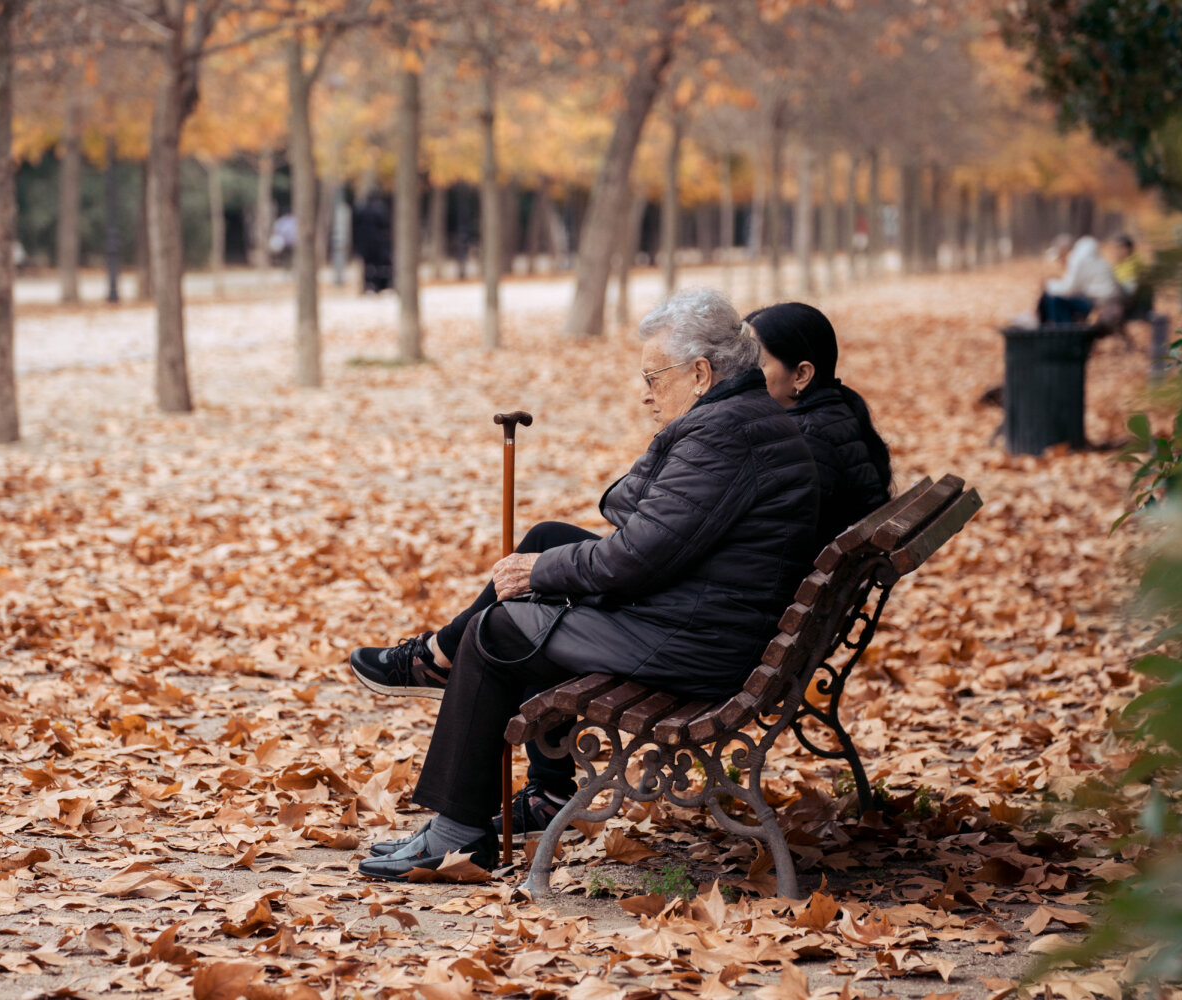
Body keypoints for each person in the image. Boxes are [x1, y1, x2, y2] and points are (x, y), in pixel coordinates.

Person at [349, 288, 820, 878]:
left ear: (700, 373)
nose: (645, 390)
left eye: (655, 375)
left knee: (499, 631)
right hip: (710, 618)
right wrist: (561, 555)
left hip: (696, 640)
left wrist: (540, 575)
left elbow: (638, 556)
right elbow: (627, 505)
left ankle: (457, 833)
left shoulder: (721, 435)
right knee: (549, 539)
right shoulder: (737, 418)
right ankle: (441, 668)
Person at [745, 303, 892, 547]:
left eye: (755, 364)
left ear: (801, 375)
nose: (740, 374)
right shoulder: (835, 415)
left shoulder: (803, 442)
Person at [1036, 233, 1121, 325]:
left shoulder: (1077, 259)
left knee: (1053, 300)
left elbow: (1069, 289)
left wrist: (1050, 285)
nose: (1060, 259)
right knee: (1056, 299)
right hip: (1108, 301)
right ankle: (1057, 328)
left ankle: (1062, 331)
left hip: (1098, 304)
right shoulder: (1097, 259)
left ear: (1065, 249)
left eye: (1059, 253)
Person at [352, 191, 393, 293]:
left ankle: (370, 284)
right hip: (379, 245)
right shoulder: (381, 210)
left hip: (367, 246)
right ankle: (380, 285)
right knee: (380, 266)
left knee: (370, 267)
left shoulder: (362, 211)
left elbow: (356, 229)